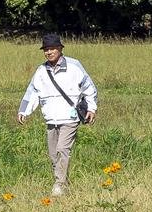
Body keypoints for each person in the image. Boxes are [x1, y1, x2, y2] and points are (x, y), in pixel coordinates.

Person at [17, 33, 97, 196]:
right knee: (53, 154)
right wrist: (23, 111)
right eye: (46, 49)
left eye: (52, 48)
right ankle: (63, 183)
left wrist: (92, 108)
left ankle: (59, 185)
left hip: (70, 116)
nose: (49, 52)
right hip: (51, 118)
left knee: (62, 149)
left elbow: (89, 88)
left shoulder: (74, 66)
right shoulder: (41, 71)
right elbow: (32, 92)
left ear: (60, 49)